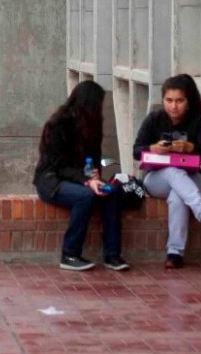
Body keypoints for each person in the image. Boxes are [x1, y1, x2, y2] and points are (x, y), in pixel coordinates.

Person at [33, 80, 130, 272]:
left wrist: (93, 176)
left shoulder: (92, 126)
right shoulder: (58, 125)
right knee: (84, 196)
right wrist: (87, 180)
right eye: (98, 105)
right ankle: (69, 253)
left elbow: (90, 160)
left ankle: (112, 255)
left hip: (80, 179)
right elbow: (57, 166)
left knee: (111, 192)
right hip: (52, 180)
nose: (100, 110)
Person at [132, 75, 201, 270]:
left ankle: (175, 254)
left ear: (188, 102)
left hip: (191, 177)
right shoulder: (154, 118)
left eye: (179, 101)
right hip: (156, 179)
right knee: (172, 171)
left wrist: (191, 147)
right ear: (163, 100)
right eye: (169, 100)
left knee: (178, 197)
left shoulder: (198, 120)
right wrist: (154, 148)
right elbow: (136, 150)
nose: (174, 106)